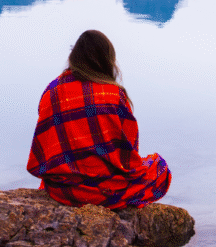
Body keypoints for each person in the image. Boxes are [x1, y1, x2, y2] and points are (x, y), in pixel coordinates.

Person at [27, 30, 171, 209]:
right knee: (160, 168)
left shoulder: (52, 91)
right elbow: (128, 154)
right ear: (106, 60)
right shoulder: (113, 94)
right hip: (106, 192)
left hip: (62, 190)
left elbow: (45, 145)